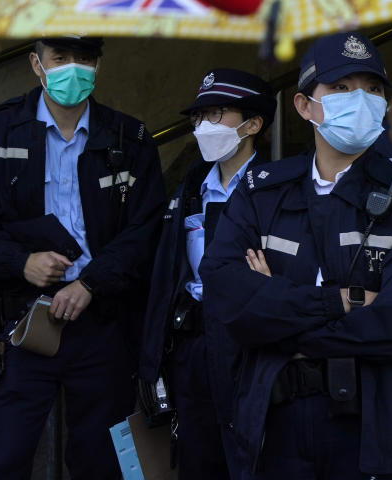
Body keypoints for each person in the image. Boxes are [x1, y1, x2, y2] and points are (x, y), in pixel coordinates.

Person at [200, 32, 392, 479]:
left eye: (373, 88)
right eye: (341, 88)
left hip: (372, 425)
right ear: (304, 106)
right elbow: (225, 297)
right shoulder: (262, 192)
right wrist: (342, 301)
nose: (361, 100)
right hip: (275, 423)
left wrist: (277, 314)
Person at [0, 36, 165, 480]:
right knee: (3, 458)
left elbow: (147, 228)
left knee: (100, 461)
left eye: (84, 59)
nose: (72, 69)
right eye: (60, 58)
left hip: (101, 322)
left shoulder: (130, 139)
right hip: (24, 323)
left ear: (99, 65)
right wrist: (19, 262)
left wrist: (92, 282)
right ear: (36, 63)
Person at [139, 68, 276, 479]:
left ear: (253, 124)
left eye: (217, 114)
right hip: (193, 347)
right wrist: (151, 362)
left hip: (248, 346)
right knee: (198, 459)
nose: (203, 127)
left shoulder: (277, 188)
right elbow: (167, 274)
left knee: (253, 457)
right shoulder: (191, 186)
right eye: (199, 118)